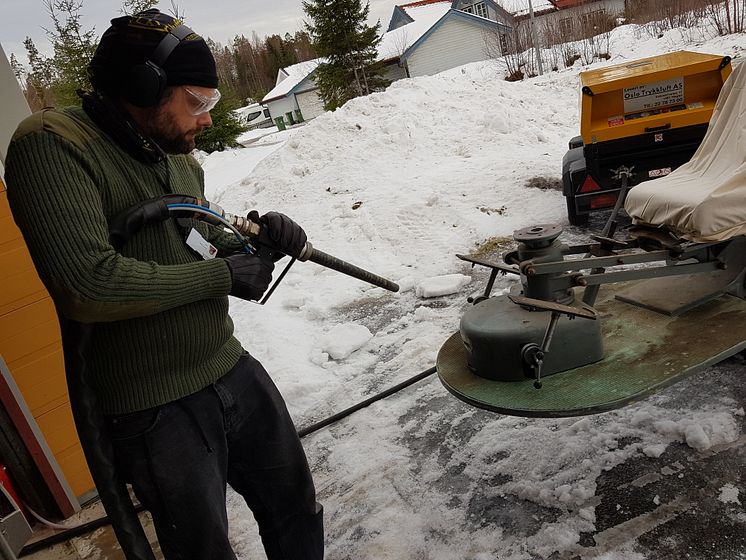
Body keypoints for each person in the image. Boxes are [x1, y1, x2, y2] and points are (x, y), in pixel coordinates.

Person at [4, 9, 323, 560]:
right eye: (196, 103)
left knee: (296, 507)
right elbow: (88, 283)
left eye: (212, 105)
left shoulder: (177, 159)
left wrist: (257, 241)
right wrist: (221, 275)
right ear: (142, 87)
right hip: (153, 405)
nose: (205, 120)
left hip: (228, 365)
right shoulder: (54, 144)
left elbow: (198, 241)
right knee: (202, 549)